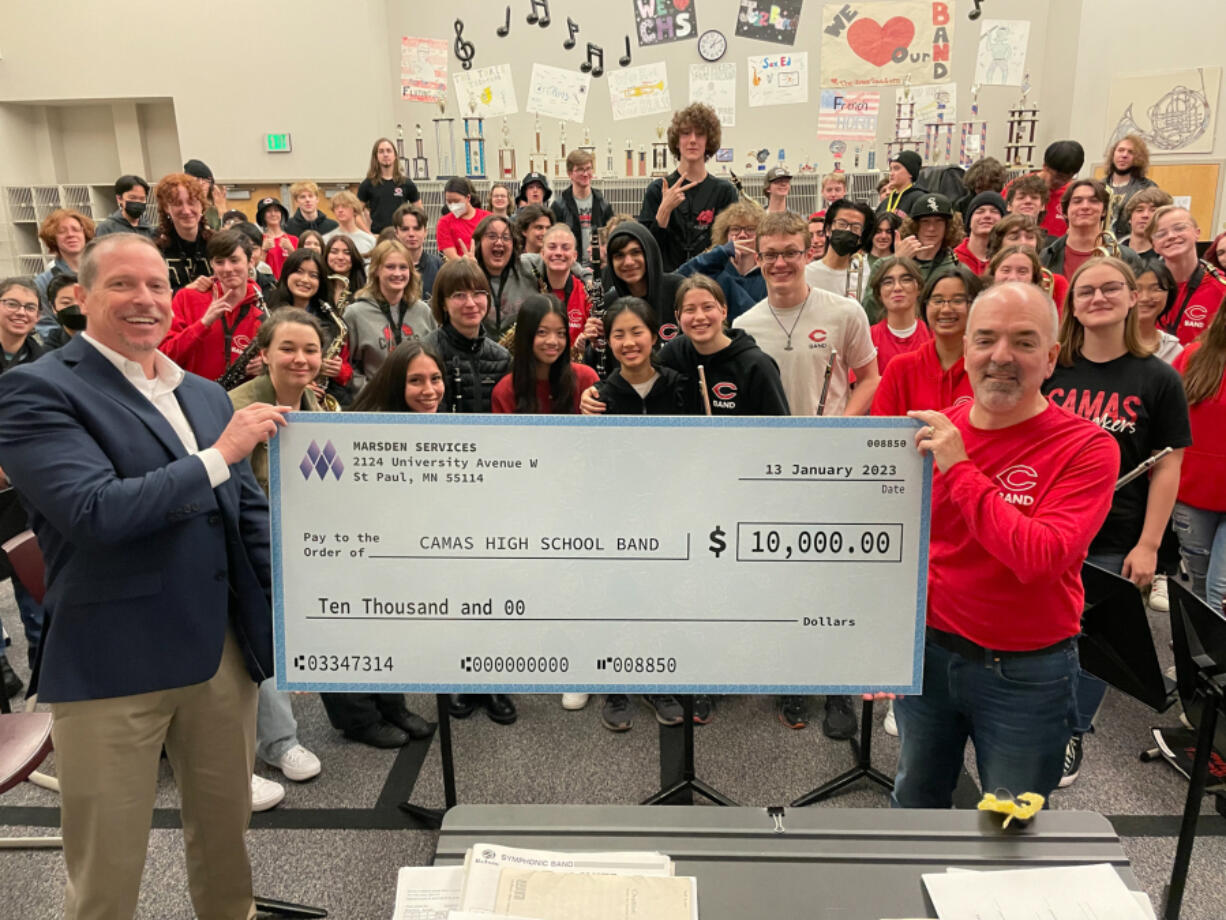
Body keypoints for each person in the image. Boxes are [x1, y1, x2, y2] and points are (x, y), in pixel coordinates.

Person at [0, 232, 287, 919]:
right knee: (107, 865)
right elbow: (95, 512)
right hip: (111, 660)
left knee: (226, 840)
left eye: (157, 285)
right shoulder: (37, 390)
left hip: (217, 654)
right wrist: (220, 455)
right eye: (123, 285)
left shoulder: (207, 394)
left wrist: (316, 592)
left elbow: (248, 520)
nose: (145, 300)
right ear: (80, 295)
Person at [893, 282, 1119, 808]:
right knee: (915, 802)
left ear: (1051, 356)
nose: (1001, 357)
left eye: (1023, 341)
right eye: (987, 340)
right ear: (966, 348)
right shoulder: (934, 431)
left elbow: (1036, 558)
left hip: (1026, 671)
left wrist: (960, 467)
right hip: (927, 654)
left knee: (1011, 821)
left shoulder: (1087, 446)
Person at [1042, 257, 1190, 786]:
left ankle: (1071, 731)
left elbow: (1168, 466)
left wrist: (1150, 544)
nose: (1098, 298)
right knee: (1044, 634)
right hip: (1047, 529)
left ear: (1132, 297)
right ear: (1072, 302)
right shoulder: (1051, 369)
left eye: (1111, 289)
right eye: (1086, 290)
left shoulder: (1159, 378)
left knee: (1091, 641)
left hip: (1114, 534)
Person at [733, 211, 878, 737]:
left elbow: (869, 379)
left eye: (790, 252)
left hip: (831, 463)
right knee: (786, 575)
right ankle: (794, 673)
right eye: (769, 254)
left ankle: (836, 683)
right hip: (772, 473)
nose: (780, 262)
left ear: (808, 251)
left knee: (831, 575)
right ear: (758, 258)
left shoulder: (844, 312)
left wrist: (839, 426)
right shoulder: (744, 326)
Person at [228, 309, 329, 803]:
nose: (301, 358)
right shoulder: (234, 409)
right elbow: (231, 495)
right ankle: (271, 745)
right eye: (288, 348)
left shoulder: (320, 406)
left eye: (311, 349)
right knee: (254, 641)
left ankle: (274, 741)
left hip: (297, 541)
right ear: (263, 353)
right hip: (241, 548)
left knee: (276, 640)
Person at [872, 264, 983, 421]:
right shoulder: (899, 369)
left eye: (958, 300)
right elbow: (878, 436)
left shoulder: (986, 368)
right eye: (937, 301)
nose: (945, 309)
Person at [1171, 303, 1226, 613]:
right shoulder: (1193, 356)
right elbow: (1168, 424)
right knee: (1202, 585)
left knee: (1220, 593)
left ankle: (1210, 660)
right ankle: (1200, 657)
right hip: (1191, 497)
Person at [637, 102, 738, 271]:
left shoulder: (725, 192)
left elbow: (732, 245)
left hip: (712, 282)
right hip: (668, 282)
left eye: (700, 134)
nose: (692, 140)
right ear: (677, 141)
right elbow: (644, 248)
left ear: (708, 141)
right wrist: (664, 211)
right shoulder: (657, 189)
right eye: (685, 134)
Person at [161, 227, 266, 383]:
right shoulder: (186, 298)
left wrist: (265, 366)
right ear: (211, 265)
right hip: (192, 397)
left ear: (251, 262)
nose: (228, 269)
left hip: (242, 401)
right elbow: (164, 357)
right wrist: (203, 324)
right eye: (219, 262)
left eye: (234, 260)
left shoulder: (260, 308)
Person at [344, 238, 435, 389]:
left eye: (403, 267)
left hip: (418, 401)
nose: (397, 273)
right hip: (373, 405)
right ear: (377, 270)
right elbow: (348, 365)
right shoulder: (355, 313)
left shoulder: (423, 311)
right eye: (390, 267)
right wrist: (368, 392)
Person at [424, 259, 511, 415]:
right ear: (443, 303)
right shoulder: (426, 353)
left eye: (478, 294)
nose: (470, 303)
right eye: (459, 295)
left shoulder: (502, 358)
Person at [271, 248, 354, 407]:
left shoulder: (334, 322)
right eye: (299, 272)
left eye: (313, 275)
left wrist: (339, 370)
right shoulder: (269, 316)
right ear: (287, 274)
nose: (305, 279)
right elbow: (264, 367)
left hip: (323, 403)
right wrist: (300, 386)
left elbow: (347, 370)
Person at [492, 293, 599, 414]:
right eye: (542, 332)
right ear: (526, 335)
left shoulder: (586, 379)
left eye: (560, 333)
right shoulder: (505, 390)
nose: (552, 341)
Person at [675, 202, 765, 321]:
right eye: (735, 229)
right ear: (725, 234)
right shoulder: (714, 267)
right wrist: (720, 253)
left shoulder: (768, 272)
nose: (742, 235)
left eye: (750, 229)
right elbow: (676, 280)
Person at [1151, 205, 1226, 345]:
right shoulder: (1144, 288)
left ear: (1197, 233)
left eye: (1179, 228)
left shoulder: (1222, 288)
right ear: (1154, 245)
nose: (1171, 236)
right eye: (1161, 234)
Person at [1040, 179, 1139, 280]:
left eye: (1093, 201)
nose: (1085, 206)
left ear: (1104, 211)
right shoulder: (1045, 257)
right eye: (1077, 201)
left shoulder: (1127, 257)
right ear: (1065, 212)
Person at [602, 221, 684, 344]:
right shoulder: (608, 304)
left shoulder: (679, 290)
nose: (628, 262)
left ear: (649, 253)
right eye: (619, 256)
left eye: (635, 252)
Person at [472, 214, 544, 335]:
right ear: (479, 242)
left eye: (506, 237)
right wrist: (466, 274)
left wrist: (587, 279)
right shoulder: (468, 271)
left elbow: (561, 259)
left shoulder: (529, 264)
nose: (499, 242)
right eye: (492, 236)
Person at [1002, 140, 1085, 238]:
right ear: (1045, 166)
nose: (1060, 182)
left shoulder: (1072, 194)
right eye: (1056, 177)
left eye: (1066, 178)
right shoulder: (1018, 187)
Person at [987, 213, 1070, 311]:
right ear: (999, 244)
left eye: (1030, 237)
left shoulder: (1057, 283)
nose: (1023, 242)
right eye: (1014, 238)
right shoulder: (983, 282)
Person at [868, 257, 933, 375]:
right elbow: (859, 387)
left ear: (918, 288)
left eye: (906, 280)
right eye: (888, 282)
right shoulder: (868, 338)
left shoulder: (933, 336)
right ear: (879, 293)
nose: (897, 288)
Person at [806, 198, 874, 306]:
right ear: (828, 229)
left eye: (855, 228)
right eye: (842, 224)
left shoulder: (865, 273)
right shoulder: (806, 274)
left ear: (861, 238)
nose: (847, 230)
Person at [551, 150, 613, 265]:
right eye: (580, 169)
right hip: (570, 267)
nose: (585, 174)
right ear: (570, 173)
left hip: (599, 267)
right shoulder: (559, 206)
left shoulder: (603, 204)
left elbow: (610, 237)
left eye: (588, 168)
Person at [155, 172, 213, 292]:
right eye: (177, 204)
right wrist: (186, 292)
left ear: (202, 205)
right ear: (166, 208)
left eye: (192, 202)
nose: (186, 211)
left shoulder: (217, 244)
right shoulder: (155, 250)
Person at [34, 208, 94, 321]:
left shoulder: (105, 271)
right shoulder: (43, 282)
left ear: (85, 234)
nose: (70, 235)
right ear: (53, 239)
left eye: (76, 230)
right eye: (62, 232)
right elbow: (45, 323)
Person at [540, 225, 593, 347]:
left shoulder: (587, 293)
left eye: (565, 248)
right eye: (552, 247)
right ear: (542, 254)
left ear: (574, 256)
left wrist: (588, 341)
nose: (558, 253)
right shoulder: (530, 288)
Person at [358, 137, 420, 234]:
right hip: (378, 238)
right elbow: (355, 214)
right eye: (381, 151)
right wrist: (369, 235)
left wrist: (411, 232)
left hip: (401, 237)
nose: (385, 154)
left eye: (388, 151)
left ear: (395, 155)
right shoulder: (367, 184)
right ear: (376, 157)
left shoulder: (406, 183)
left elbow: (419, 212)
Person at [1103, 134, 1157, 239]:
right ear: (1113, 154)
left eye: (1130, 152)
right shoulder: (1099, 186)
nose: (1124, 155)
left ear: (1138, 158)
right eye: (1120, 150)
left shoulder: (1148, 188)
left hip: (1132, 246)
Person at [1135, 262, 1184, 363]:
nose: (1144, 298)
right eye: (1137, 289)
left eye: (1156, 289)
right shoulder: (1106, 343)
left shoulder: (1174, 350)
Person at [436, 177, 490, 261]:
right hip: (461, 270)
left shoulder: (487, 218)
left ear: (468, 198)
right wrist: (467, 263)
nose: (453, 205)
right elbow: (452, 256)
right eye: (449, 202)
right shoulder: (444, 222)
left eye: (456, 201)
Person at [953, 192, 1005, 276]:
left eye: (994, 211)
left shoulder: (1008, 258)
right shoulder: (952, 259)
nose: (987, 215)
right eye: (980, 211)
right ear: (969, 222)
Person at [1120, 187, 1172, 259]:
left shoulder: (1170, 258)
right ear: (1130, 218)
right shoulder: (1112, 253)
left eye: (1153, 210)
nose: (1145, 215)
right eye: (1139, 210)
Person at [94, 174, 154, 238]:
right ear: (119, 199)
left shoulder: (149, 229)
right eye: (132, 198)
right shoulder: (107, 228)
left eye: (142, 199)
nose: (138, 202)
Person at [323, 191, 377, 258]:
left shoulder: (370, 240)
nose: (340, 210)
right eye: (336, 207)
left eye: (344, 206)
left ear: (354, 209)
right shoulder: (326, 239)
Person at [255, 196, 298, 279]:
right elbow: (254, 268)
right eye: (268, 211)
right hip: (266, 285)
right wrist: (263, 250)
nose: (273, 214)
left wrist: (291, 250)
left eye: (276, 210)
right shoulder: (258, 240)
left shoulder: (293, 240)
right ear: (262, 216)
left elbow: (301, 265)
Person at [955, 157, 1007, 223]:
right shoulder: (961, 205)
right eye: (980, 188)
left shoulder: (1004, 204)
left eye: (988, 188)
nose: (984, 194)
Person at [43, 272, 85, 350]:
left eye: (81, 300)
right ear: (53, 307)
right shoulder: (49, 351)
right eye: (66, 302)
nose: (76, 307)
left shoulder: (109, 340)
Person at [877, 151, 925, 218]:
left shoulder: (919, 199)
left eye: (896, 168)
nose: (891, 173)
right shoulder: (885, 202)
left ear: (910, 173)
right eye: (891, 169)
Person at [323, 234, 368, 307]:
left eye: (347, 253)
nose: (340, 257)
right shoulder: (318, 285)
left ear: (354, 257)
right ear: (326, 256)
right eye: (334, 252)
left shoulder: (366, 289)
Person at [183, 158, 224, 230]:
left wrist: (222, 210)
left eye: (206, 180)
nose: (202, 184)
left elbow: (226, 237)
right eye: (197, 180)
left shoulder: (213, 211)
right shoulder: (182, 209)